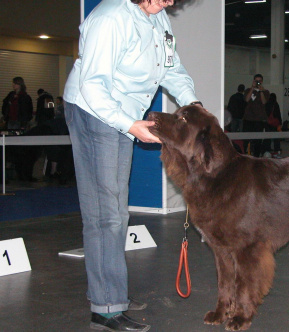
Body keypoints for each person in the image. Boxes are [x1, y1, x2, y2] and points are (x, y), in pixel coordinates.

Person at [63, 0, 201, 331]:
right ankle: (105, 308)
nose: (169, 3)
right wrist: (128, 124)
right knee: (105, 214)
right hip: (96, 111)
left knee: (115, 211)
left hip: (123, 111)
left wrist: (192, 103)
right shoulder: (110, 18)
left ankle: (111, 292)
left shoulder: (157, 16)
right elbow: (92, 84)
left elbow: (171, 68)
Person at [243, 74, 269, 157]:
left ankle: (256, 156)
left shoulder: (266, 92)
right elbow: (247, 99)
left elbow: (264, 102)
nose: (258, 82)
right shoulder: (248, 90)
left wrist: (261, 91)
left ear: (262, 81)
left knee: (257, 140)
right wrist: (252, 88)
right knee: (246, 139)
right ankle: (245, 155)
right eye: (256, 81)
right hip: (248, 119)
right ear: (253, 81)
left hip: (259, 120)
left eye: (259, 81)